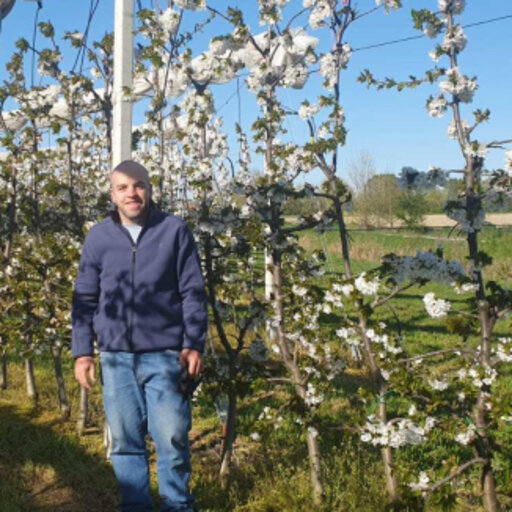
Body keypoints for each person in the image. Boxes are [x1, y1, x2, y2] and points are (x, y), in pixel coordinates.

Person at [72, 160, 207, 512]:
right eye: (123, 187)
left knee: (172, 437)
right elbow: (85, 297)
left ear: (149, 188)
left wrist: (193, 343)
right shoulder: (98, 236)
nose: (132, 193)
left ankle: (177, 505)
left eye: (139, 185)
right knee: (125, 441)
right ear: (112, 194)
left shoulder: (174, 230)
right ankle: (135, 506)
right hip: (115, 357)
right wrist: (83, 352)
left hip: (165, 354)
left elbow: (192, 292)